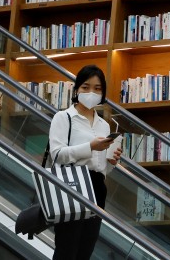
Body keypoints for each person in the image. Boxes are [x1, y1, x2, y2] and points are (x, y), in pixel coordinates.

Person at [49, 65, 122, 260]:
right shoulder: (63, 117)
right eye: (86, 87)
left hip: (97, 186)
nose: (91, 93)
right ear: (76, 89)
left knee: (86, 249)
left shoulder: (104, 125)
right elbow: (56, 154)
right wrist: (90, 146)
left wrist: (112, 162)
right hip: (72, 185)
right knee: (67, 248)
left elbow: (100, 168)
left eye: (97, 89)